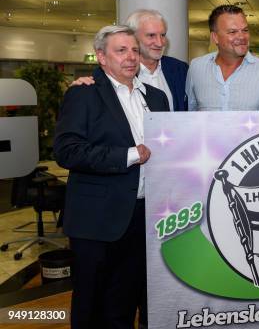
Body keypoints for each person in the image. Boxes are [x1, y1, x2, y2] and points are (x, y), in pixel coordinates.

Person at [54, 25, 169, 328]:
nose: (130, 57)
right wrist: (129, 155)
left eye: (133, 50)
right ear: (102, 57)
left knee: (125, 301)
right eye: (121, 51)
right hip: (97, 221)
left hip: (143, 215)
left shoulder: (156, 98)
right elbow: (67, 151)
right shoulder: (84, 93)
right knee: (91, 306)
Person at [71, 9, 188, 112]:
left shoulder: (180, 69)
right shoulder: (112, 75)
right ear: (133, 37)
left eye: (163, 35)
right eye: (151, 35)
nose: (160, 43)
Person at [187, 5, 259, 111]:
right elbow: (190, 114)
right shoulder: (196, 68)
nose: (242, 37)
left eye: (245, 30)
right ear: (215, 37)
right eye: (232, 32)